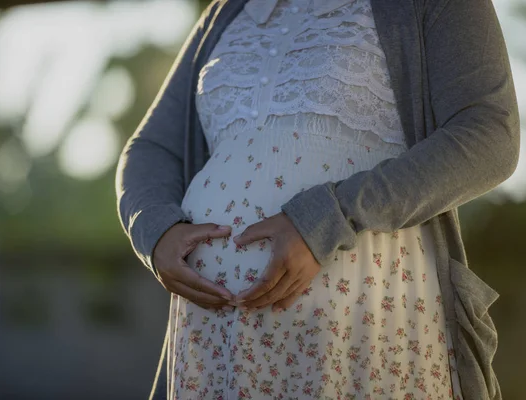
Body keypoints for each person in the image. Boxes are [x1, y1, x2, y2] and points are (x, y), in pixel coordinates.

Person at [116, 0, 520, 398]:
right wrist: (154, 229)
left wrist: (329, 216)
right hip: (215, 337)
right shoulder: (227, 12)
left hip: (368, 318)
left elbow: (489, 134)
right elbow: (151, 147)